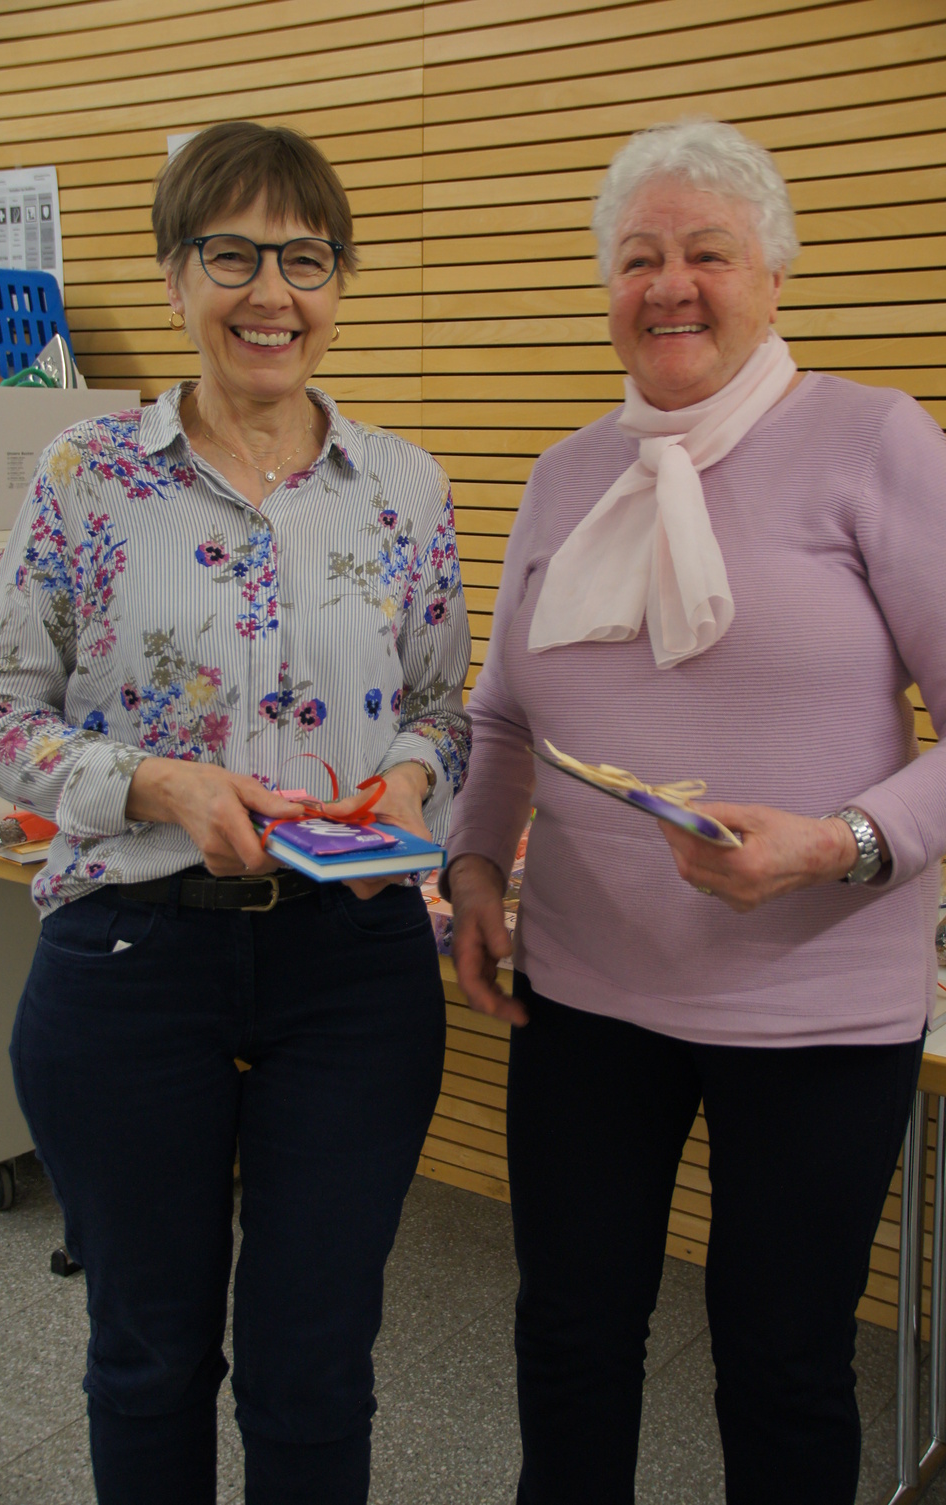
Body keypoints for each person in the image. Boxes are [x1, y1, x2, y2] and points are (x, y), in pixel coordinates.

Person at [0, 121, 470, 1505]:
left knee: (316, 1364)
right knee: (147, 1354)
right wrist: (155, 781)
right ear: (176, 272)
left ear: (339, 282)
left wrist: (410, 780)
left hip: (349, 964)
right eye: (231, 254)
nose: (271, 293)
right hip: (133, 954)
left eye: (306, 259)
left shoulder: (404, 489)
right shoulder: (87, 476)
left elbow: (444, 706)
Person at [444, 116, 946, 1505]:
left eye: (707, 253)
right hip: (586, 995)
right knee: (570, 1337)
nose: (670, 284)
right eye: (639, 258)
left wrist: (839, 842)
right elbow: (503, 718)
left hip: (816, 1007)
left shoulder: (872, 440)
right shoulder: (566, 472)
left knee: (782, 1366)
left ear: (773, 275)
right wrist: (475, 866)